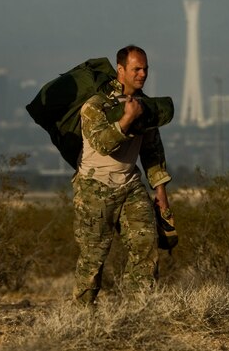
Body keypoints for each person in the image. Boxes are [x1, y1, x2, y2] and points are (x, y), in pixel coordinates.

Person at [72, 44, 173, 305]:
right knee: (93, 257)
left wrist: (160, 192)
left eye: (145, 69)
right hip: (94, 188)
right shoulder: (95, 106)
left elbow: (152, 150)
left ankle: (139, 308)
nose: (142, 74)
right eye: (136, 69)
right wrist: (126, 120)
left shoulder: (144, 107)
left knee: (146, 247)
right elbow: (103, 143)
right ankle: (82, 314)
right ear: (121, 70)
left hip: (130, 184)